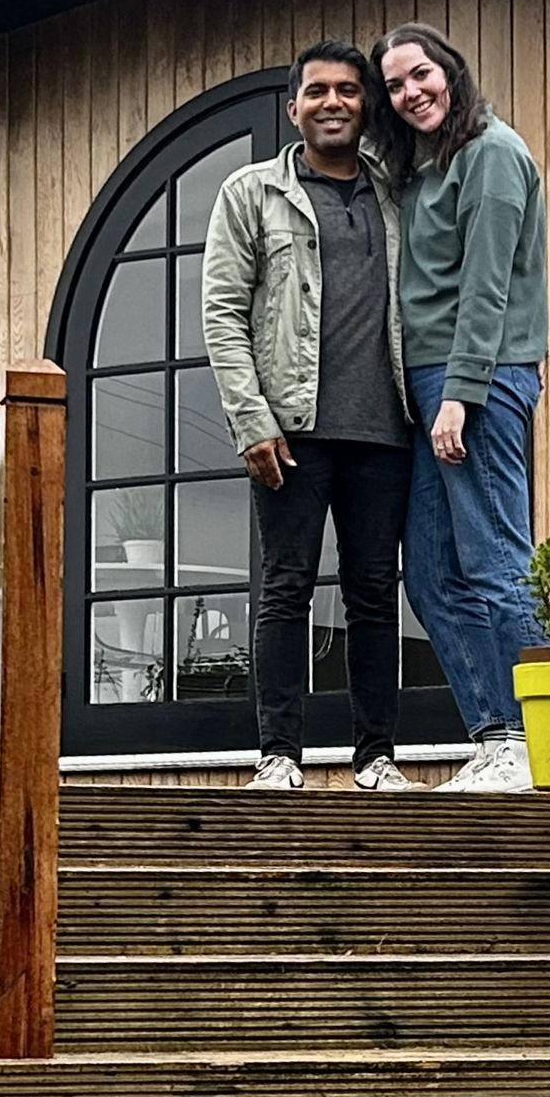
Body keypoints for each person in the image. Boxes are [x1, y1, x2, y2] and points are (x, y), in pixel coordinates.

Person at [202, 41, 417, 792]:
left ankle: (376, 758)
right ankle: (279, 756)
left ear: (366, 106)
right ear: (293, 106)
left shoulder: (397, 194)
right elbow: (223, 312)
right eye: (318, 90)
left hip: (386, 431)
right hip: (289, 432)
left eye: (349, 91)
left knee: (372, 593)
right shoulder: (252, 193)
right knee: (286, 588)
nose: (334, 101)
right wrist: (251, 418)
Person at [370, 22, 548, 793]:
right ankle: (497, 733)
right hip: (428, 385)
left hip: (479, 379)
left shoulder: (493, 156)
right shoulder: (423, 170)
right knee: (433, 571)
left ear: (451, 70)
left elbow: (488, 286)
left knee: (495, 558)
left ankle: (538, 739)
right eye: (397, 85)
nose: (412, 93)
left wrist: (461, 399)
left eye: (421, 75)